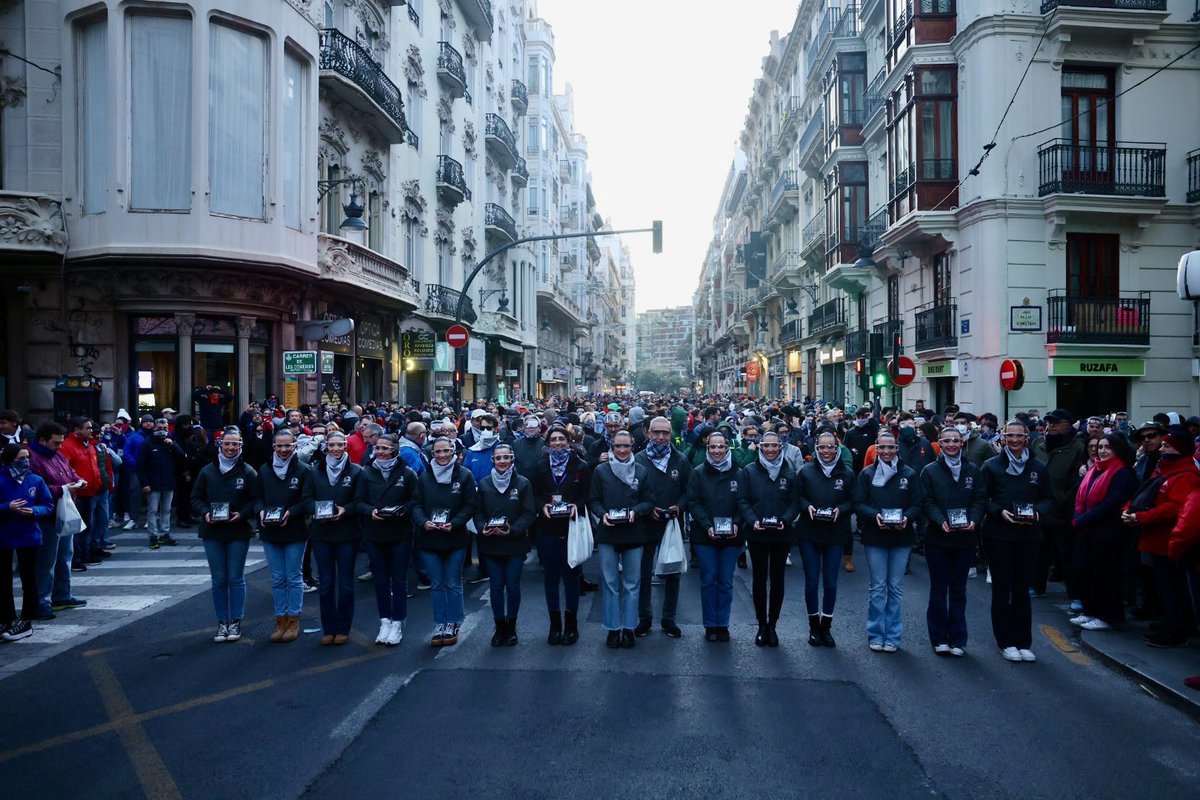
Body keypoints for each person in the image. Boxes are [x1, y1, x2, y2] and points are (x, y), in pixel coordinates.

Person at [980, 421, 1054, 662]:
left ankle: (1023, 642)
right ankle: (1005, 641)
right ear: (1002, 437)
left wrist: (1036, 513)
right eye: (1009, 435)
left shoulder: (1038, 467)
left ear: (1026, 438)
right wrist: (999, 512)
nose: (1014, 440)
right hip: (998, 535)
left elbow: (1047, 499)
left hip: (1029, 535)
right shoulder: (991, 466)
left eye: (1018, 436)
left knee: (1022, 589)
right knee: (1002, 589)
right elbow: (982, 499)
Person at [1123, 425, 1200, 648]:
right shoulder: (1163, 469)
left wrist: (1140, 517)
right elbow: (1143, 493)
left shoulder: (1186, 475)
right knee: (1163, 587)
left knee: (1174, 589)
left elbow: (1175, 508)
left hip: (1170, 541)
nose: (1162, 448)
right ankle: (1168, 622)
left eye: (1167, 445)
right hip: (1155, 540)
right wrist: (1130, 511)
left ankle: (1176, 629)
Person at [920, 427, 986, 656]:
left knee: (959, 590)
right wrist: (940, 521)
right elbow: (926, 501)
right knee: (939, 588)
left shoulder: (973, 470)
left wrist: (974, 520)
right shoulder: (929, 471)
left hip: (965, 538)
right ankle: (939, 637)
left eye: (955, 441)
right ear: (940, 443)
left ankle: (958, 638)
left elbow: (979, 499)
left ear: (962, 443)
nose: (951, 445)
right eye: (946, 441)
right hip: (937, 537)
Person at [854, 431, 923, 653]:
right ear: (876, 448)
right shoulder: (867, 474)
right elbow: (859, 503)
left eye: (890, 447)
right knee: (877, 586)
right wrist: (875, 516)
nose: (886, 451)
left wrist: (907, 518)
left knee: (895, 587)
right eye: (881, 447)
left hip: (901, 537)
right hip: (875, 535)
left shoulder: (909, 474)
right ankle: (875, 633)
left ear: (897, 449)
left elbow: (917, 504)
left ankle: (893, 636)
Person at [191, 428, 261, 643]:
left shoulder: (248, 472)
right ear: (220, 445)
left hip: (238, 530)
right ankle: (222, 622)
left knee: (236, 578)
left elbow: (256, 500)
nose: (231, 448)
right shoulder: (207, 471)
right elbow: (196, 498)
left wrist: (243, 514)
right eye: (227, 444)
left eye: (235, 444)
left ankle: (236, 621)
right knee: (219, 579)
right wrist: (205, 513)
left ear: (241, 446)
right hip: (212, 531)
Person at [588, 430, 653, 649]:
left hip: (634, 534)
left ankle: (629, 628)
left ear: (632, 446)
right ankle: (613, 628)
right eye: (618, 446)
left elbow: (648, 501)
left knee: (632, 584)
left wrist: (636, 511)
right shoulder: (601, 471)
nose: (623, 450)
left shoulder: (642, 471)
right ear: (612, 447)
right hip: (608, 534)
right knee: (610, 583)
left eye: (626, 446)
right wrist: (602, 514)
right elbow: (594, 500)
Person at [354, 434, 419, 646]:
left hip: (400, 533)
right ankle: (384, 621)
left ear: (395, 451)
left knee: (398, 580)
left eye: (385, 448)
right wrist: (370, 511)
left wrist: (403, 511)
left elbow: (415, 500)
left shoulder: (407, 474)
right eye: (378, 448)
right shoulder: (366, 473)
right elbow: (358, 502)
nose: (380, 452)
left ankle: (398, 622)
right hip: (374, 533)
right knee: (381, 580)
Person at [737, 431, 800, 648]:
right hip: (757, 533)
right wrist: (752, 520)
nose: (771, 450)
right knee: (759, 579)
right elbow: (743, 500)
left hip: (782, 533)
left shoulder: (789, 472)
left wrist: (787, 519)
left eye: (775, 446)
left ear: (780, 448)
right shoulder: (749, 471)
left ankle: (773, 624)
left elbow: (794, 502)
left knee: (778, 580)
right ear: (760, 447)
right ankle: (761, 625)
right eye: (766, 446)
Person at [1070, 434, 1138, 632]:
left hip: (1109, 533)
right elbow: (1081, 496)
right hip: (1088, 530)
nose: (1102, 450)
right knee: (1085, 571)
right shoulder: (1095, 469)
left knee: (1106, 575)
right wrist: (1079, 517)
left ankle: (1107, 615)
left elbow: (1112, 504)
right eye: (1100, 446)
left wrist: (1082, 519)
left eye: (1108, 447)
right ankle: (1090, 610)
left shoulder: (1123, 473)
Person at [413, 436, 477, 647]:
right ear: (432, 453)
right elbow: (416, 505)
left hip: (455, 537)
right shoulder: (424, 477)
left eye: (446, 451)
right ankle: (441, 622)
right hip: (429, 538)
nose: (441, 455)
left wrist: (456, 523)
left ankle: (453, 622)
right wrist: (423, 522)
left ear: (453, 452)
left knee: (453, 582)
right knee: (437, 583)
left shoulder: (465, 475)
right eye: (437, 452)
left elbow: (469, 505)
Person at [532, 424, 591, 645]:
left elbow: (587, 495)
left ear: (568, 441)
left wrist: (577, 505)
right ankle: (555, 625)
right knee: (551, 577)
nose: (557, 443)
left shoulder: (581, 466)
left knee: (571, 577)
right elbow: (535, 494)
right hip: (548, 528)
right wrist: (542, 506)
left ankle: (572, 624)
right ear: (548, 443)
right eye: (553, 440)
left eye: (561, 439)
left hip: (572, 527)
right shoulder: (540, 466)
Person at [302, 431, 363, 646]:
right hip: (321, 533)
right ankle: (328, 628)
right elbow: (306, 499)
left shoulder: (356, 471)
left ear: (346, 446)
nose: (336, 449)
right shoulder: (314, 471)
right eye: (332, 445)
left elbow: (360, 501)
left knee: (346, 583)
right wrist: (319, 510)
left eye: (340, 445)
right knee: (326, 583)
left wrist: (344, 510)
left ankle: (343, 627)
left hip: (347, 533)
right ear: (325, 447)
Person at [795, 430, 854, 647]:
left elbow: (853, 500)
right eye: (822, 447)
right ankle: (813, 626)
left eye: (830, 447)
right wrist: (806, 506)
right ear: (816, 449)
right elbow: (798, 497)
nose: (826, 451)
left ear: (837, 448)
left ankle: (826, 626)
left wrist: (841, 509)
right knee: (811, 582)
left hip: (835, 533)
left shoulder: (847, 473)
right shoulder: (806, 471)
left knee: (830, 582)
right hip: (809, 532)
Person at [473, 443, 535, 646]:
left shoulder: (523, 483)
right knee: (496, 586)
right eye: (498, 458)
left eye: (505, 457)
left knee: (513, 585)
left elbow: (528, 513)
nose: (502, 461)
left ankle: (511, 626)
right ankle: (499, 626)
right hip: (491, 543)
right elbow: (478, 512)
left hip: (514, 543)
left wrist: (514, 529)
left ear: (512, 459)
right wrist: (483, 527)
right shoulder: (484, 483)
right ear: (493, 460)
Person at [633, 416, 689, 639]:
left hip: (672, 523)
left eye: (665, 433)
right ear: (647, 433)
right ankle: (644, 619)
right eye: (656, 432)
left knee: (672, 573)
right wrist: (648, 508)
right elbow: (632, 491)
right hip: (645, 523)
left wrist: (679, 507)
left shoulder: (680, 459)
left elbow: (688, 491)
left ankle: (669, 619)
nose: (661, 437)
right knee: (643, 573)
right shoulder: (637, 459)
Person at [686, 432, 744, 642]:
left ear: (728, 448)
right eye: (713, 447)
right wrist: (707, 525)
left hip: (733, 536)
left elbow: (744, 502)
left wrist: (737, 523)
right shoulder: (698, 473)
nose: (717, 451)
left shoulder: (739, 473)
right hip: (705, 535)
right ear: (707, 449)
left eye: (721, 446)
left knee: (726, 581)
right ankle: (710, 624)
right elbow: (693, 502)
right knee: (709, 579)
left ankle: (723, 623)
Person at [257, 430, 310, 644]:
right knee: (278, 578)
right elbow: (257, 497)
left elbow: (307, 500)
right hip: (270, 530)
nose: (283, 450)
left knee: (294, 576)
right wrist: (260, 510)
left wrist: (292, 512)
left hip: (295, 529)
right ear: (274, 448)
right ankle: (280, 619)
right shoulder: (264, 470)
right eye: (279, 446)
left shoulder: (304, 470)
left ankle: (294, 619)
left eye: (287, 445)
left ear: (294, 445)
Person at [29, 422, 87, 617]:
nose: (60, 446)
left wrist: (78, 481)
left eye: (61, 442)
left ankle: (62, 594)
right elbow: (36, 488)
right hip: (47, 516)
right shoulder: (33, 459)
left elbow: (70, 472)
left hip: (63, 512)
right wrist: (63, 489)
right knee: (47, 561)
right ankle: (41, 601)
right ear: (42, 440)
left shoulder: (57, 455)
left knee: (64, 556)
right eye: (56, 443)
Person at [0, 443, 53, 641]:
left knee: (29, 579)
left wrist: (34, 511)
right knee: (3, 580)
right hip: (4, 535)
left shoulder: (35, 480)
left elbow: (48, 505)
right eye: (20, 459)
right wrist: (7, 507)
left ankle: (27, 620)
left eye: (27, 458)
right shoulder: (2, 479)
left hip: (29, 535)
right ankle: (6, 618)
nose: (25, 462)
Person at [136, 418, 186, 549]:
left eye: (165, 428)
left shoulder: (170, 443)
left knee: (166, 510)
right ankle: (153, 535)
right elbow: (140, 466)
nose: (162, 431)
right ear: (154, 429)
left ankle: (165, 533)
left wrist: (173, 445)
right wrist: (144, 483)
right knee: (152, 510)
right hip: (153, 483)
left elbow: (182, 457)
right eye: (160, 428)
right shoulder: (147, 444)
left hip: (168, 481)